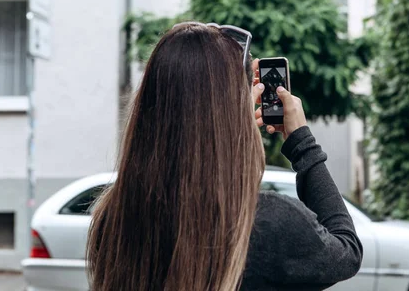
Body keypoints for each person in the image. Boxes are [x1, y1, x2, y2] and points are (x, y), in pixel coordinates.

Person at [86, 22, 363, 291]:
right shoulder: (268, 223)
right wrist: (301, 141)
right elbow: (347, 250)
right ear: (235, 115)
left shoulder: (113, 218)